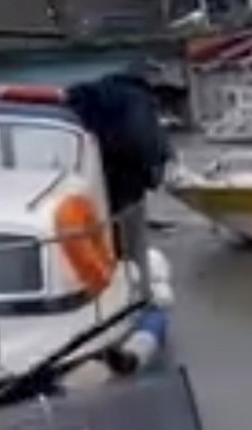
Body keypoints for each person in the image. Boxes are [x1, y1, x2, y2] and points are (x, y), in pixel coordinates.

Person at [64, 62, 173, 301]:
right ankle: (139, 299)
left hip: (90, 181)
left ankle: (103, 295)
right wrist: (153, 173)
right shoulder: (136, 99)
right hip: (128, 185)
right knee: (133, 247)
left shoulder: (94, 94)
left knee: (101, 243)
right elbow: (143, 142)